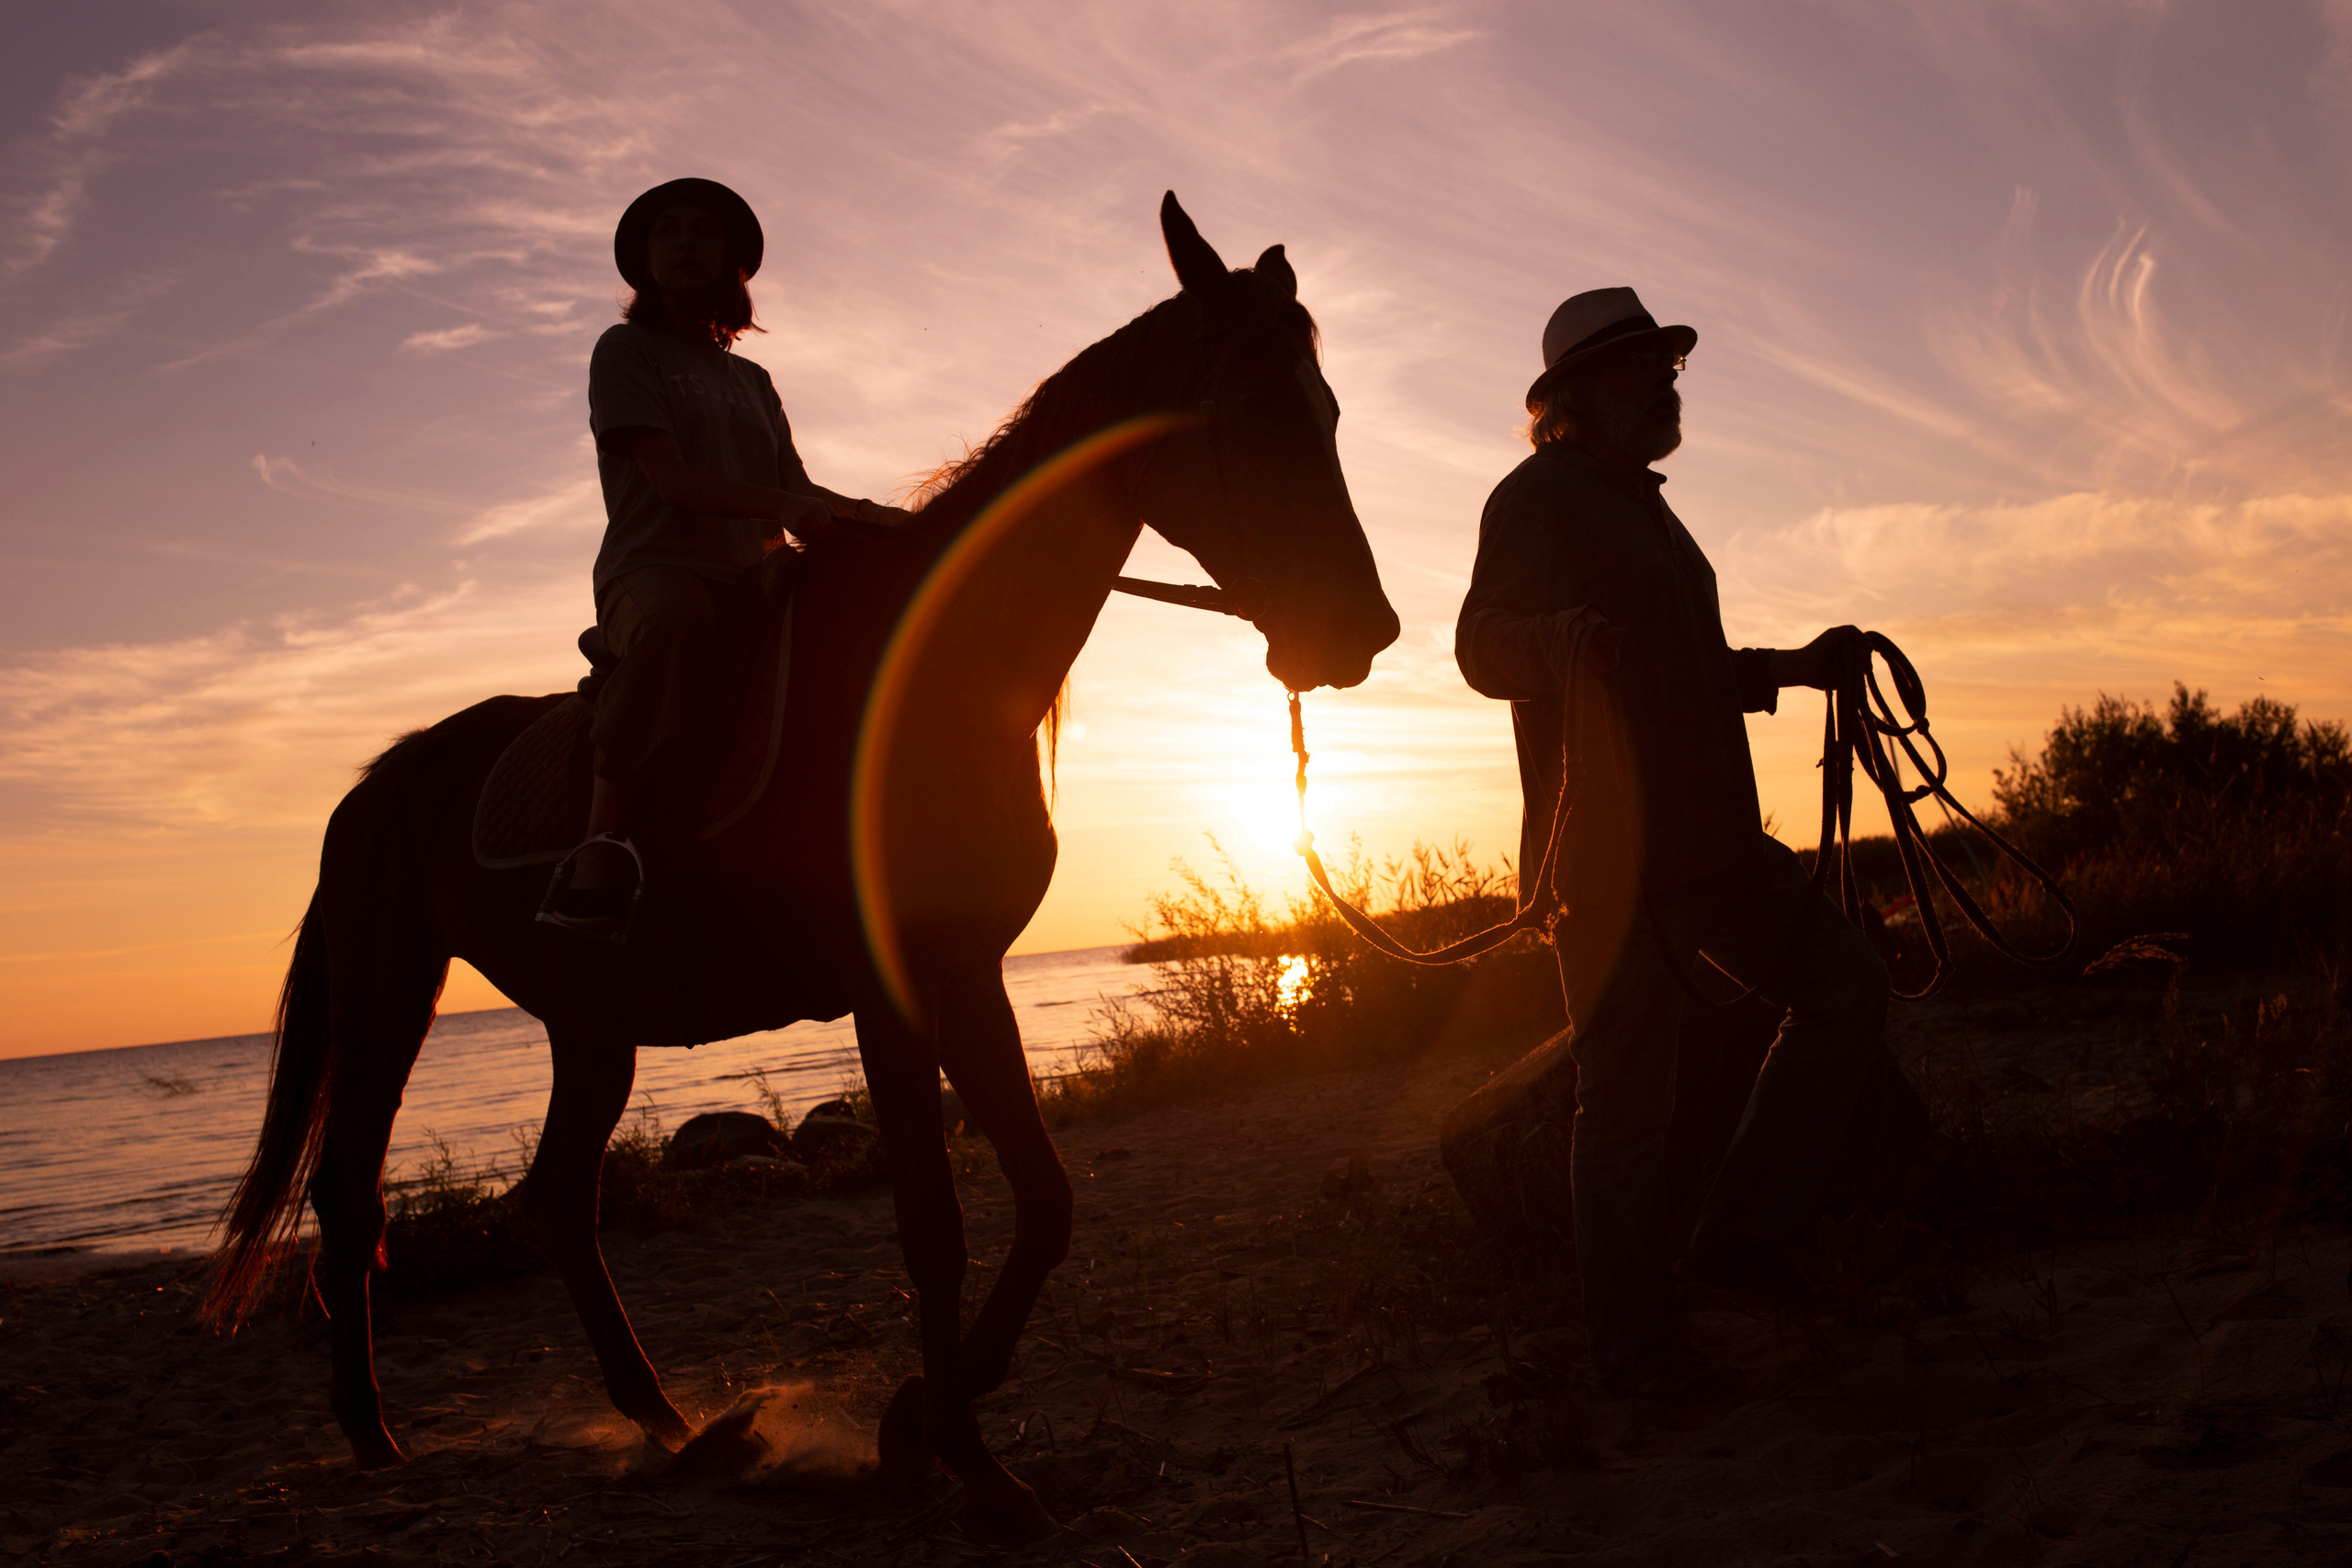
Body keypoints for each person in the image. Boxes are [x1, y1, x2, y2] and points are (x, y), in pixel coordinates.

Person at [1454, 288, 1892, 1402]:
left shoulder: (1651, 512)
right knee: (1625, 1108)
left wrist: (1793, 665)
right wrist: (1559, 641)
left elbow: (1685, 667)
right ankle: (1637, 1352)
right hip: (1611, 860)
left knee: (1843, 985)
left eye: (1668, 368)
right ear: (1572, 399)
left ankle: (1739, 1238)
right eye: (1639, 370)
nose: (1663, 385)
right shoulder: (1537, 498)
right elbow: (1479, 644)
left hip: (1717, 842)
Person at [540, 177, 911, 939]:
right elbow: (671, 480)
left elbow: (797, 486)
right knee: (676, 625)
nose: (683, 243)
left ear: (730, 260)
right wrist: (780, 509)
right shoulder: (626, 351)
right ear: (644, 262)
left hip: (753, 574)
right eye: (666, 232)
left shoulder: (753, 380)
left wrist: (882, 520)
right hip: (656, 571)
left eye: (701, 232)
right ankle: (599, 845)